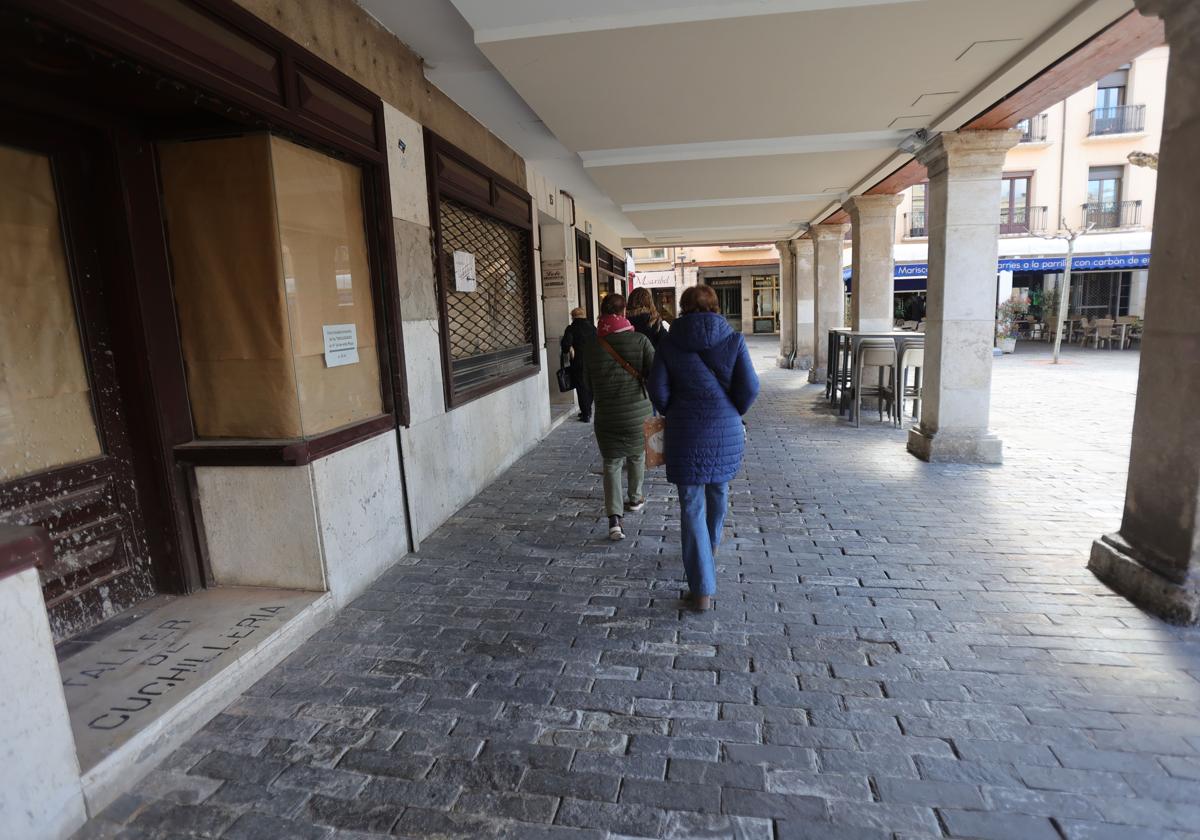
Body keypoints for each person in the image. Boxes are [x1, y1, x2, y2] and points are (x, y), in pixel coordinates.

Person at [648, 284, 759, 611]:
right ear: (714, 306)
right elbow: (750, 387)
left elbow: (657, 388)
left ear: (682, 307)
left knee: (691, 504)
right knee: (718, 491)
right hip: (724, 428)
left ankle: (701, 589)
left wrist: (673, 408)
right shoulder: (733, 339)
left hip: (685, 429)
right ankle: (707, 552)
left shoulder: (669, 343)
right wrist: (732, 409)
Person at [582, 293, 654, 541]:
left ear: (601, 313)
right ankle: (635, 498)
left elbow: (586, 381)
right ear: (624, 313)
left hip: (607, 414)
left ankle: (614, 518)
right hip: (638, 412)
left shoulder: (592, 346)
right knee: (637, 455)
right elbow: (655, 373)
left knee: (611, 463)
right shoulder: (641, 340)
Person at [560, 307, 596, 421]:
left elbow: (565, 345)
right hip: (593, 360)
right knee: (590, 386)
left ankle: (586, 414)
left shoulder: (571, 328)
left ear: (573, 316)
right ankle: (588, 410)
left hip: (578, 362)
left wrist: (570, 347)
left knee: (581, 387)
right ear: (584, 315)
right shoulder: (592, 328)